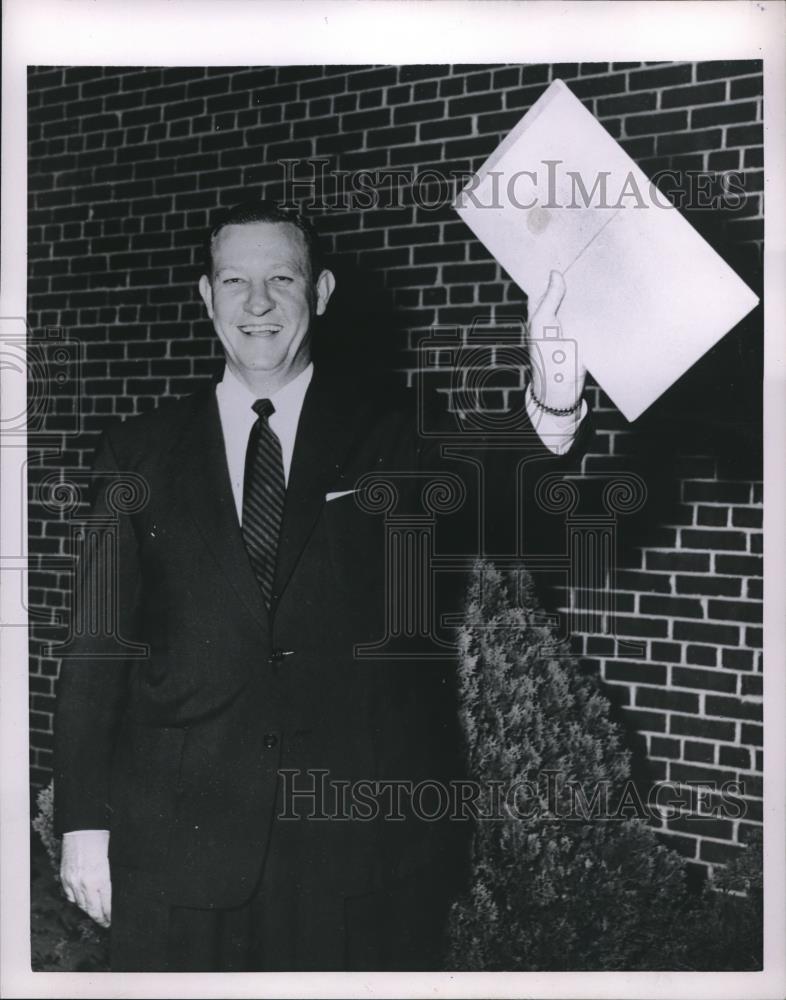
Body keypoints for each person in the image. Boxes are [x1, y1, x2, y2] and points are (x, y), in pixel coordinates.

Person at [53, 199, 588, 971]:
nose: (258, 302)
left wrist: (555, 388)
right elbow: (96, 648)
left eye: (282, 278)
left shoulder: (394, 432)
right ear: (206, 296)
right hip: (177, 849)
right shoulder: (136, 450)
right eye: (234, 280)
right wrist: (83, 825)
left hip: (355, 859)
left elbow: (515, 487)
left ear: (323, 292)